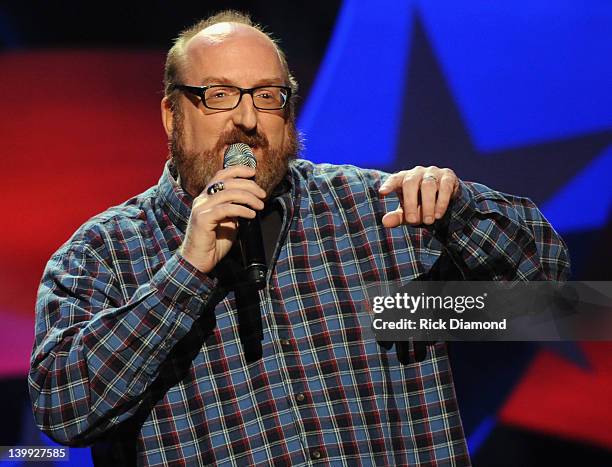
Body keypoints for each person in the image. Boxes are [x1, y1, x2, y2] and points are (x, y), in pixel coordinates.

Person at [28, 10, 570, 467]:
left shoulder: (375, 212)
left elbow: (557, 297)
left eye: (268, 96)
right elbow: (62, 410)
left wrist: (465, 211)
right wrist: (185, 273)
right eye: (218, 96)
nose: (246, 118)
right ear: (172, 114)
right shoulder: (102, 255)